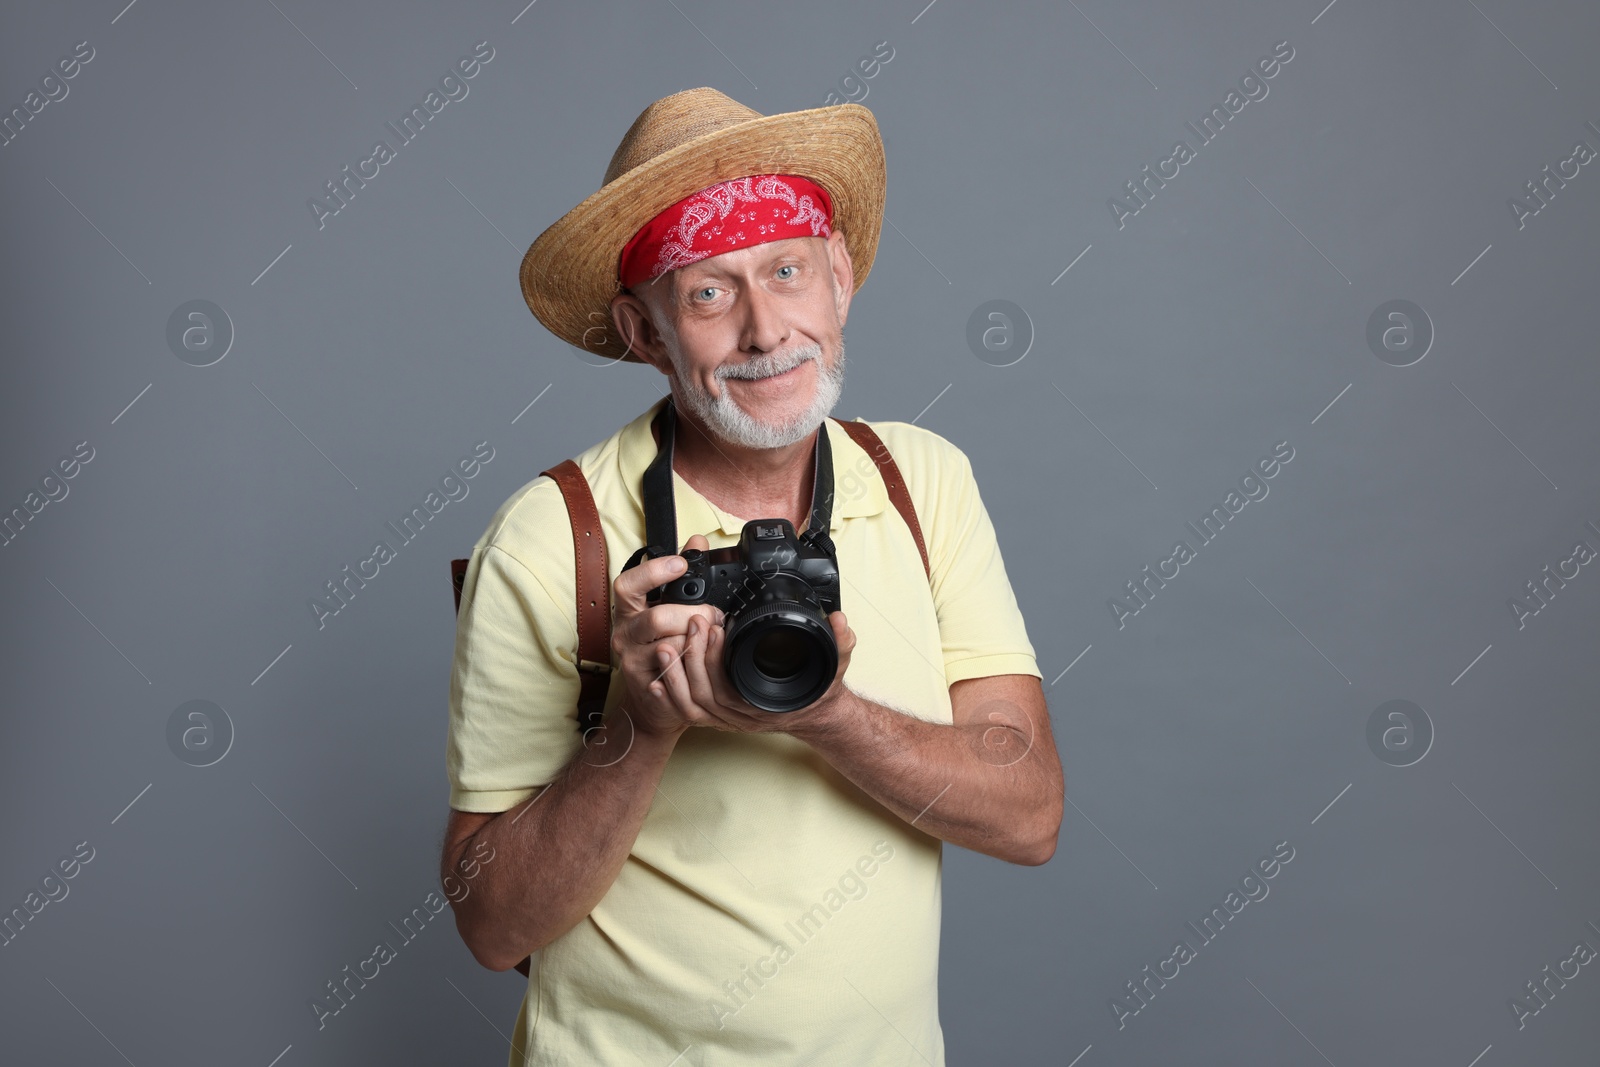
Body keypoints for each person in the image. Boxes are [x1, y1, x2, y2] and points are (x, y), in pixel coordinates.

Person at [440, 86, 1063, 1066]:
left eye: (786, 270)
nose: (766, 328)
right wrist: (637, 729)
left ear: (840, 280)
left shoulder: (919, 483)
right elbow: (491, 924)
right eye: (707, 292)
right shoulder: (553, 534)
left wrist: (823, 708)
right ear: (644, 334)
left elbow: (1028, 814)